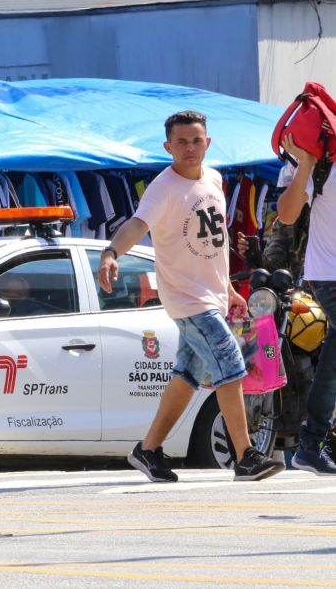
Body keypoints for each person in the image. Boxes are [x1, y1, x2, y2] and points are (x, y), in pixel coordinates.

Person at [98, 111, 283, 483]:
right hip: (187, 301)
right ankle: (245, 456)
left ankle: (148, 450)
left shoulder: (214, 179)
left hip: (212, 296)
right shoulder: (162, 188)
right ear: (168, 147)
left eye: (196, 140)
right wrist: (110, 253)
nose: (189, 148)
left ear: (208, 143)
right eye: (181, 142)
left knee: (187, 375)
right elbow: (137, 224)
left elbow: (214, 244)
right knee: (231, 366)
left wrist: (229, 289)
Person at [274, 133, 336, 474]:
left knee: (331, 360)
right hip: (329, 275)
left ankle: (311, 442)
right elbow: (286, 215)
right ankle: (311, 442)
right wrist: (307, 164)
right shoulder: (324, 163)